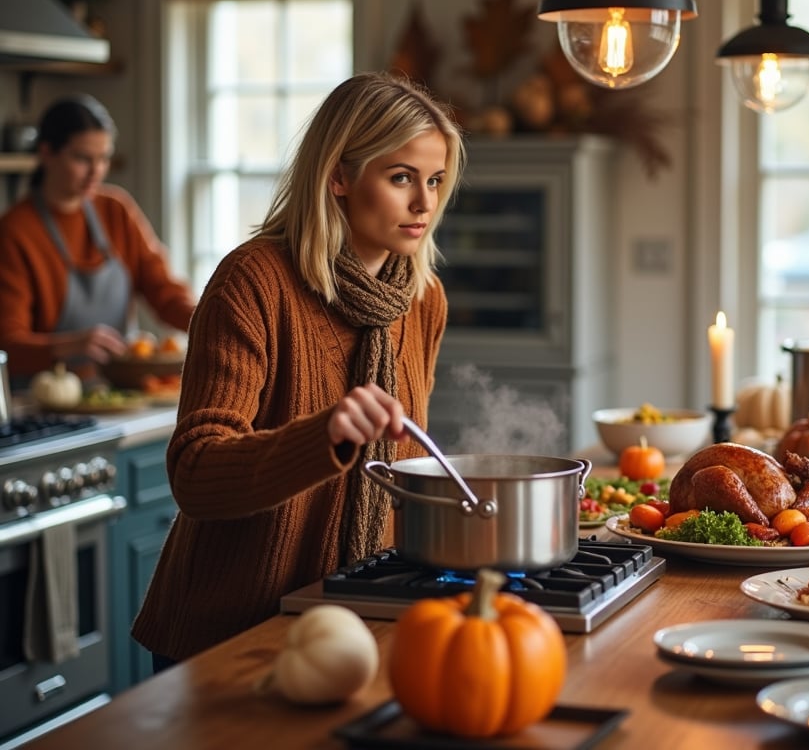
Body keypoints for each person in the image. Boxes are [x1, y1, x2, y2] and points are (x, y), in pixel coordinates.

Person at [131, 71, 466, 671]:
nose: (425, 203)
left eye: (436, 180)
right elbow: (195, 470)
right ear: (338, 175)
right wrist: (325, 437)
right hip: (232, 632)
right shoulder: (254, 283)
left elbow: (400, 471)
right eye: (401, 178)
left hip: (359, 620)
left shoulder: (422, 299)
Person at [0, 94, 195, 384]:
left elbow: (164, 292)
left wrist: (211, 320)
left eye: (104, 158)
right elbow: (8, 345)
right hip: (43, 399)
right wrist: (69, 346)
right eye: (82, 158)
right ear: (47, 153)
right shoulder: (16, 230)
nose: (96, 171)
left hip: (118, 391)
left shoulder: (116, 210)